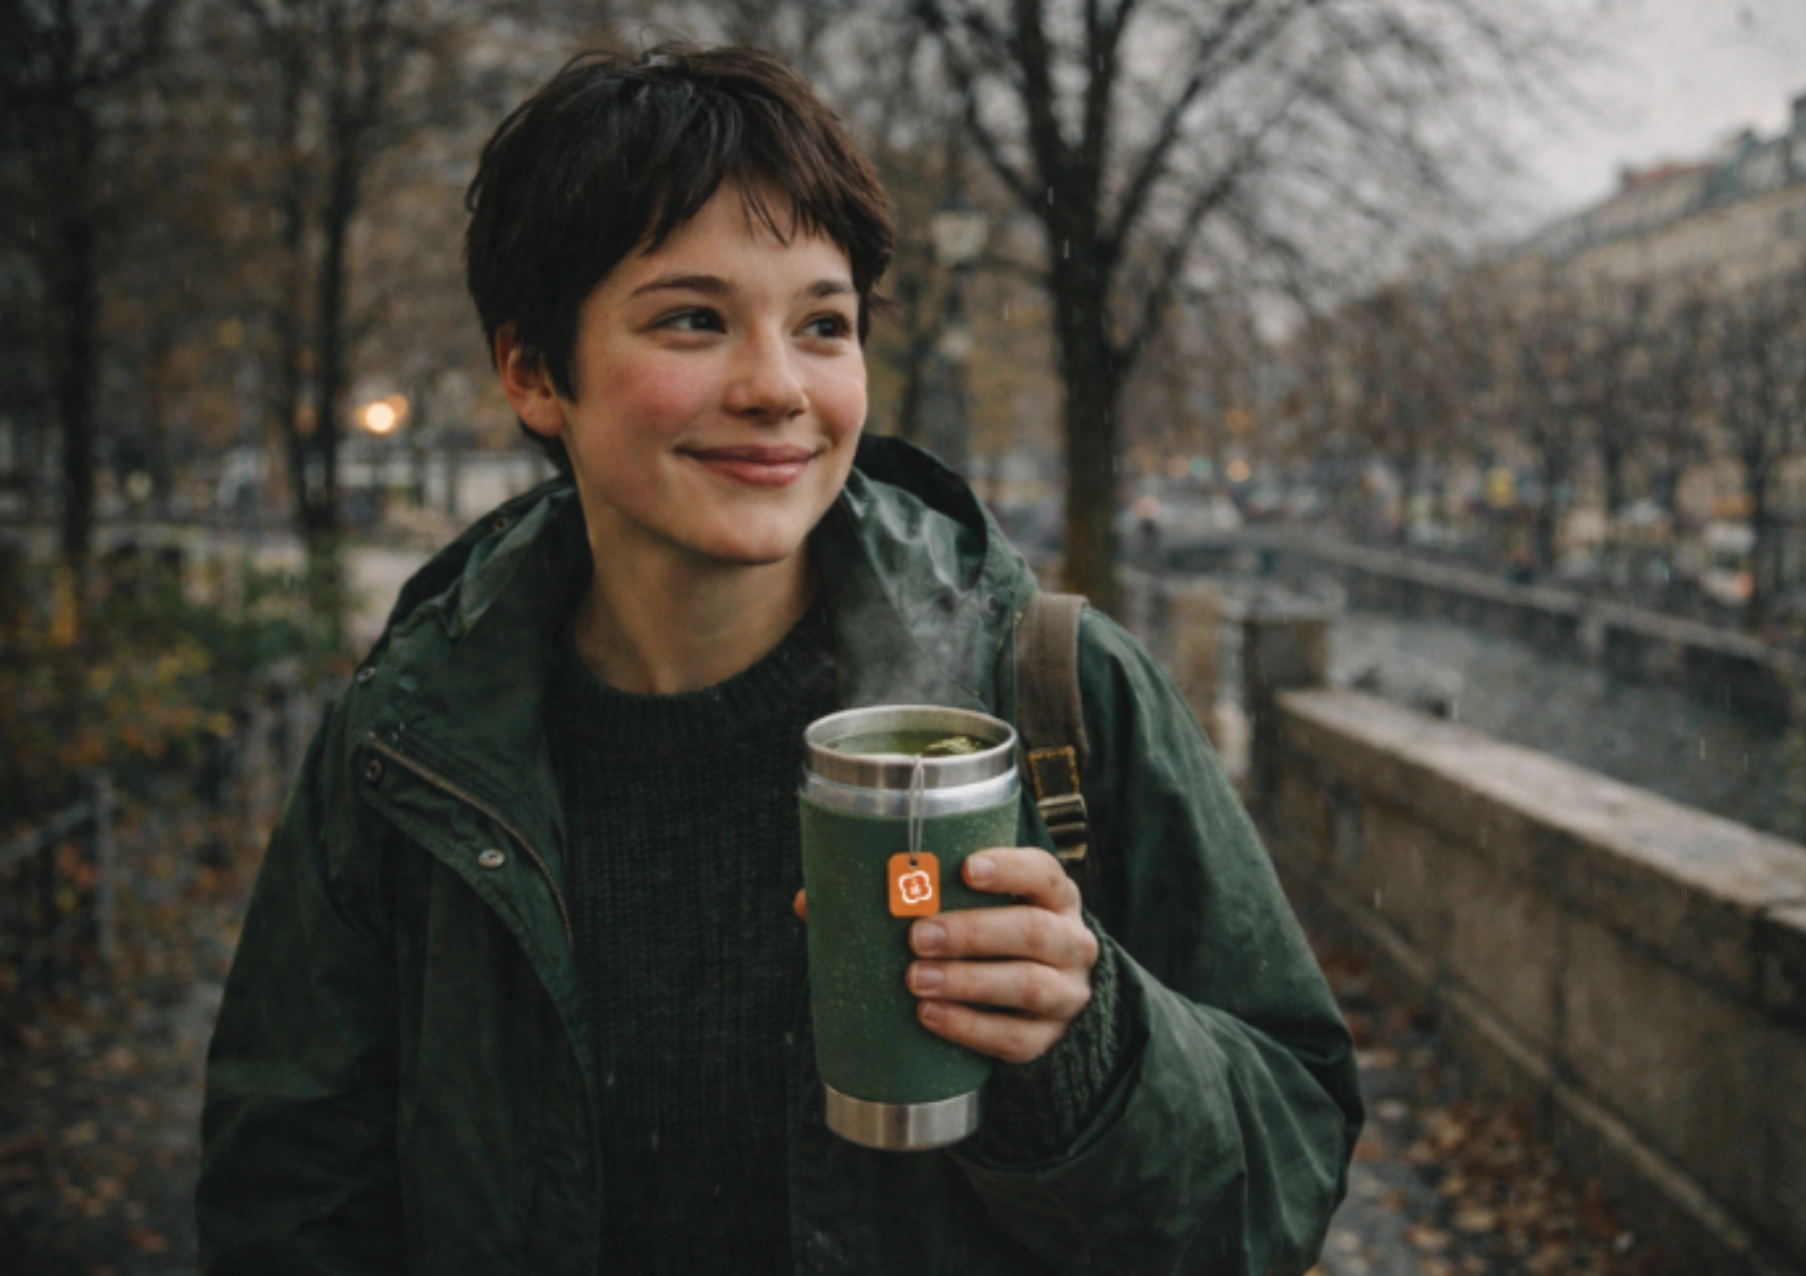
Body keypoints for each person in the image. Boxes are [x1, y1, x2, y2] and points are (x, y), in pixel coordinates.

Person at [196, 43, 1361, 1275]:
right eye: (693, 319)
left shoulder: (1056, 687)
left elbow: (1287, 1168)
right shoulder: (409, 747)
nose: (777, 387)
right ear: (534, 371)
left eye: (824, 324)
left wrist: (1089, 1042)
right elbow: (287, 1201)